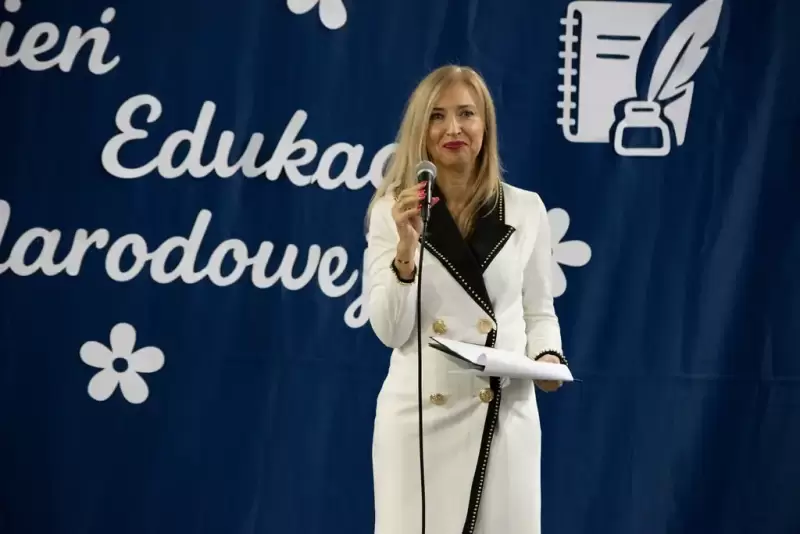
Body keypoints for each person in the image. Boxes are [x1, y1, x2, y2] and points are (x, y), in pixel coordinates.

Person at [364, 65, 568, 534]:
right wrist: (405, 251)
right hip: (418, 423)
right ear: (421, 130)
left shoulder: (526, 209)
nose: (453, 128)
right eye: (437, 116)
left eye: (466, 114)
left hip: (504, 417)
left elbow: (539, 311)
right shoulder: (392, 211)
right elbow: (390, 331)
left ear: (485, 126)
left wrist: (547, 358)